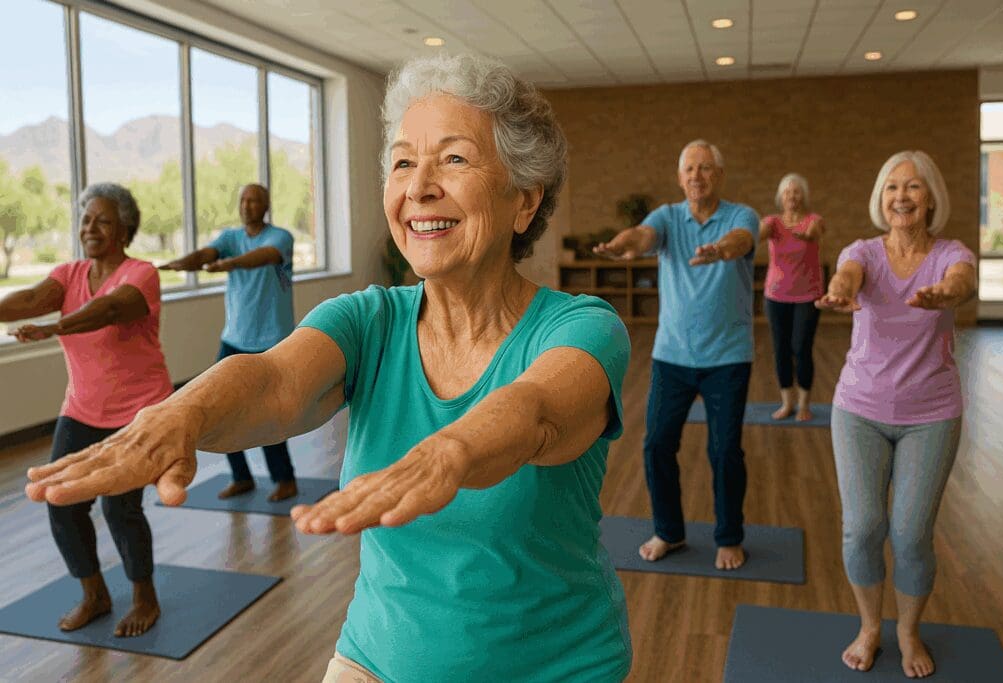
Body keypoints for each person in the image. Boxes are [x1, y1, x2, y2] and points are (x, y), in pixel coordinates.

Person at [26, 54, 633, 682]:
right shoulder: (368, 320)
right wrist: (184, 412)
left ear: (524, 200)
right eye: (403, 162)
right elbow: (273, 379)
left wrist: (452, 449)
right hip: (378, 659)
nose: (419, 186)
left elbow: (536, 410)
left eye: (453, 158)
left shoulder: (581, 327)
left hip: (554, 669)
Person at [816, 150, 976, 679]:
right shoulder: (863, 250)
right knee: (862, 528)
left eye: (912, 187)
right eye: (891, 188)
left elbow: (963, 283)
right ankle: (869, 626)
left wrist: (945, 294)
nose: (901, 197)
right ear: (880, 199)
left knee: (909, 535)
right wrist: (840, 290)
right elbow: (848, 274)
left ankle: (907, 631)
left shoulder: (950, 254)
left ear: (932, 197)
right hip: (859, 407)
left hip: (931, 412)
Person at [1, 183, 171, 637]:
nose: (90, 227)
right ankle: (94, 594)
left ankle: (144, 598)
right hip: (81, 409)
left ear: (124, 228)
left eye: (103, 219)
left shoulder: (142, 274)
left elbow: (111, 309)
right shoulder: (69, 273)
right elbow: (31, 300)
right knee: (61, 502)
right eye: (85, 219)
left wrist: (55, 326)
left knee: (120, 508)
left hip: (137, 411)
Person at [594, 140, 758, 571]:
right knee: (657, 445)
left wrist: (722, 249)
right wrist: (625, 243)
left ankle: (729, 536)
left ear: (718, 175)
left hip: (728, 357)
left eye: (705, 168)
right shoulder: (668, 217)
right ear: (680, 176)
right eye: (689, 169)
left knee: (725, 451)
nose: (696, 176)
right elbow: (645, 235)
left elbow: (742, 240)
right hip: (672, 356)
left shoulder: (741, 217)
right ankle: (668, 531)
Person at [160, 183, 298, 502]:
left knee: (268, 415)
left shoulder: (280, 237)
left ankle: (285, 478)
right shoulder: (229, 239)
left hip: (272, 342)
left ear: (266, 206)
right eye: (244, 201)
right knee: (221, 412)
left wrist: (230, 264)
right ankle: (241, 477)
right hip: (233, 339)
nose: (248, 206)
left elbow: (265, 256)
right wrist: (183, 263)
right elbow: (206, 254)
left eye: (255, 201)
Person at [758, 173, 825, 421]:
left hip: (808, 296)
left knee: (801, 347)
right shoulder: (773, 222)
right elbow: (760, 232)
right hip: (776, 296)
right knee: (781, 349)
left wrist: (808, 235)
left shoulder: (813, 219)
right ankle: (787, 403)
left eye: (796, 192)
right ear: (780, 197)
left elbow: (815, 231)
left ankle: (804, 405)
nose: (792, 196)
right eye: (787, 192)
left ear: (803, 196)